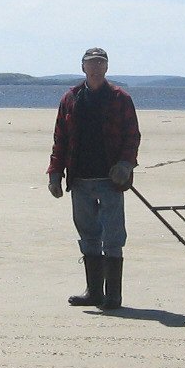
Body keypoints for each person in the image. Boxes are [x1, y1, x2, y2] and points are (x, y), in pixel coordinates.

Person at [47, 46, 140, 310]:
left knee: (113, 237)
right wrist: (55, 173)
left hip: (111, 180)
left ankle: (113, 295)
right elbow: (60, 139)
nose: (96, 67)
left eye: (100, 63)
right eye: (91, 63)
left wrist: (125, 164)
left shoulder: (120, 98)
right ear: (83, 67)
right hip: (80, 179)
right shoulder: (71, 98)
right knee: (88, 235)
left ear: (107, 67)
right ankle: (94, 292)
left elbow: (132, 136)